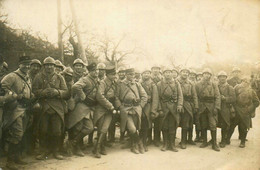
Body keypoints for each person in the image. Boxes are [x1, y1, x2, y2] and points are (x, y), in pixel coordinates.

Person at [33, 56, 68, 160]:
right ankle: (44, 150)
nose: (49, 67)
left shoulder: (59, 77)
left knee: (57, 131)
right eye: (47, 65)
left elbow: (66, 92)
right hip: (43, 107)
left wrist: (57, 92)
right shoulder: (38, 77)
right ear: (44, 66)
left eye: (51, 65)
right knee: (43, 130)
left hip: (57, 107)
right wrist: (42, 92)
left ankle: (56, 151)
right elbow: (34, 90)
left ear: (54, 66)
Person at [1, 56, 33, 169]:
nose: (27, 66)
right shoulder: (12, 76)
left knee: (21, 133)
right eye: (24, 64)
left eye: (29, 64)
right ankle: (9, 162)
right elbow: (2, 87)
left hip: (25, 108)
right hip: (15, 108)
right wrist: (13, 95)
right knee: (17, 133)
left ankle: (16, 157)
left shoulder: (28, 77)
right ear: (19, 64)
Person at [66, 63, 98, 157]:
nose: (96, 72)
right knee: (78, 127)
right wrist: (83, 97)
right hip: (81, 106)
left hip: (89, 107)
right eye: (93, 71)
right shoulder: (85, 79)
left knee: (89, 128)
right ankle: (77, 148)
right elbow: (75, 86)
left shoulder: (96, 80)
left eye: (96, 71)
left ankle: (72, 143)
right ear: (89, 71)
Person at [115, 68, 147, 154]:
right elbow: (116, 97)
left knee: (136, 128)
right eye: (129, 74)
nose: (131, 76)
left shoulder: (137, 84)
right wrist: (120, 107)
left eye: (133, 74)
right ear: (126, 74)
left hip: (136, 109)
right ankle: (139, 144)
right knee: (132, 129)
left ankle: (134, 145)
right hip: (126, 109)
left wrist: (140, 106)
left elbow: (144, 96)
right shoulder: (120, 84)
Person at [226, 77, 259, 148]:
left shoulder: (251, 91)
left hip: (246, 111)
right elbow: (233, 97)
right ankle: (227, 139)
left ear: (249, 83)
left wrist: (249, 109)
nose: (245, 82)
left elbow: (257, 102)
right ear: (241, 81)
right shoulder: (236, 88)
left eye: (247, 81)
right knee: (232, 125)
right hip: (237, 109)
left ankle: (242, 142)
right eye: (244, 80)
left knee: (244, 127)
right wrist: (233, 107)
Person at [157, 67, 183, 152]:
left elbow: (180, 95)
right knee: (164, 126)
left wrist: (179, 105)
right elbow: (157, 98)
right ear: (163, 74)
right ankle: (165, 144)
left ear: (172, 74)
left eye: (169, 72)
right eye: (166, 72)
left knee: (172, 126)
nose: (167, 74)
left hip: (174, 107)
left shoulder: (176, 83)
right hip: (164, 107)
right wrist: (160, 109)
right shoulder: (159, 84)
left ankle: (172, 145)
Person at [94, 66, 117, 158]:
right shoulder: (102, 83)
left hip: (110, 109)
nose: (114, 76)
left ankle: (99, 147)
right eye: (112, 74)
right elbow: (100, 96)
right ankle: (98, 148)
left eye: (115, 74)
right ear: (107, 75)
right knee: (100, 128)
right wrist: (110, 106)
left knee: (104, 128)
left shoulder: (114, 83)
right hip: (101, 108)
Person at [195, 68, 221, 152]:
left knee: (213, 124)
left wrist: (216, 107)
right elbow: (196, 97)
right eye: (205, 74)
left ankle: (214, 143)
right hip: (202, 106)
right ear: (203, 75)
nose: (207, 75)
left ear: (210, 75)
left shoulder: (214, 84)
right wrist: (197, 106)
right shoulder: (198, 84)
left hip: (211, 107)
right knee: (203, 124)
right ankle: (205, 142)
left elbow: (217, 96)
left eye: (209, 74)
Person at [177, 68, 198, 149]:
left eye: (186, 72)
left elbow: (194, 95)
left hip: (188, 104)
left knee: (187, 122)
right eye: (183, 72)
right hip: (178, 104)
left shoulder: (191, 83)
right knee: (176, 122)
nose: (185, 73)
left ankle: (185, 140)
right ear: (180, 73)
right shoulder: (176, 82)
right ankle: (172, 140)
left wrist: (196, 106)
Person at [140, 69, 159, 152]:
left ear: (150, 75)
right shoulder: (139, 83)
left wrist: (153, 110)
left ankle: (149, 140)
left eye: (148, 73)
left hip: (149, 106)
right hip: (140, 106)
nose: (146, 75)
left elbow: (155, 98)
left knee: (148, 123)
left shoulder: (153, 85)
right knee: (140, 123)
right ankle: (143, 140)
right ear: (142, 74)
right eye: (144, 73)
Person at [217, 71, 236, 148]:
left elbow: (234, 98)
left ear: (226, 78)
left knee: (225, 125)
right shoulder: (216, 86)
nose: (222, 78)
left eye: (224, 77)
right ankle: (213, 139)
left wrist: (225, 99)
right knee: (215, 124)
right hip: (217, 107)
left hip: (226, 108)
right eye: (220, 77)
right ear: (218, 78)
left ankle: (223, 140)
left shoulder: (230, 87)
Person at [108, 66, 125, 144]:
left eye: (123, 72)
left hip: (123, 104)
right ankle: (111, 137)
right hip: (114, 104)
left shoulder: (125, 82)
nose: (121, 74)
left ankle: (122, 137)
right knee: (112, 121)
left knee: (123, 120)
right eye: (120, 72)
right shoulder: (115, 82)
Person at [150, 65, 162, 147]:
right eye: (154, 69)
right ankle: (149, 138)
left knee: (158, 122)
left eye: (157, 69)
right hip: (149, 102)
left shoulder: (162, 79)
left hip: (160, 103)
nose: (155, 70)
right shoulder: (148, 79)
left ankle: (157, 139)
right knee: (149, 121)